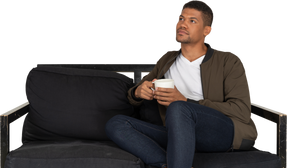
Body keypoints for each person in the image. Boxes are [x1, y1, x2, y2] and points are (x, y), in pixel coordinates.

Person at [105, 1, 260, 168]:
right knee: (117, 123)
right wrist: (138, 92)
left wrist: (185, 101)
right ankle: (168, 163)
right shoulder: (167, 59)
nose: (182, 24)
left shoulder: (228, 60)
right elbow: (137, 91)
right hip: (178, 134)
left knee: (178, 107)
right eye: (180, 18)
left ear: (208, 31)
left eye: (192, 21)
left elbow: (241, 111)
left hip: (221, 132)